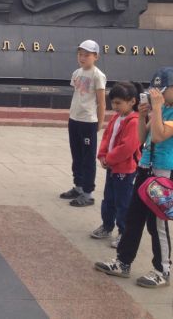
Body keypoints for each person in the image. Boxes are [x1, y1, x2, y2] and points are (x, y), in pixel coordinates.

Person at [95, 67, 173, 289]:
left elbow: (159, 136)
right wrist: (143, 115)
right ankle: (123, 262)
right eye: (156, 90)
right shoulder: (162, 109)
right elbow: (142, 138)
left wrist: (156, 109)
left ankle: (162, 270)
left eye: (162, 90)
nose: (158, 94)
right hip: (145, 168)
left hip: (163, 173)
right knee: (133, 218)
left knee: (157, 224)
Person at [90, 82, 142, 248]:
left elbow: (127, 147)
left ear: (132, 101)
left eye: (118, 103)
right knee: (109, 199)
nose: (114, 106)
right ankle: (107, 226)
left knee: (123, 202)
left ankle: (123, 232)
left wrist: (109, 159)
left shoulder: (134, 121)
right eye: (113, 103)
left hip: (125, 170)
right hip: (112, 168)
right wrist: (102, 155)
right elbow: (107, 137)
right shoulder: (116, 118)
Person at [60, 39, 106, 207]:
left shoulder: (97, 75)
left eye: (87, 55)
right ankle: (78, 187)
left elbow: (101, 102)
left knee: (87, 158)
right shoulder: (77, 73)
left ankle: (88, 193)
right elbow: (78, 95)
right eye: (80, 54)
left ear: (96, 56)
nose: (82, 57)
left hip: (88, 122)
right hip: (74, 120)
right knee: (77, 155)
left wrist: (100, 122)